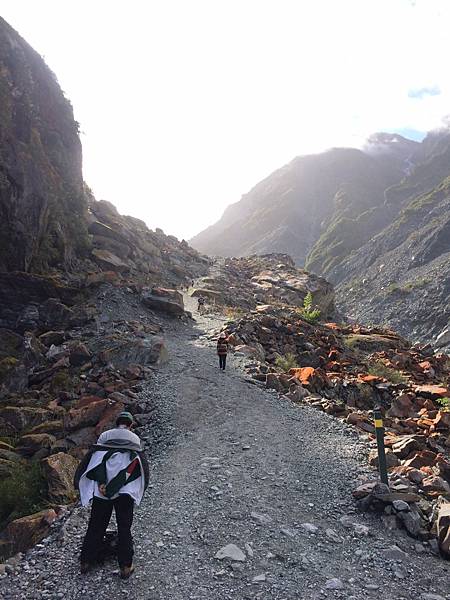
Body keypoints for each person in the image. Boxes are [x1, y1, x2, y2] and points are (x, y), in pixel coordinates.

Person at [74, 411, 149, 579]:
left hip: (102, 490)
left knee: (96, 524)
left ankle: (86, 561)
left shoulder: (105, 435)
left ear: (117, 422)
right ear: (130, 424)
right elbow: (139, 464)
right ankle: (126, 566)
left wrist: (100, 482)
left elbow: (96, 459)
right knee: (124, 527)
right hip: (125, 490)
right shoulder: (134, 438)